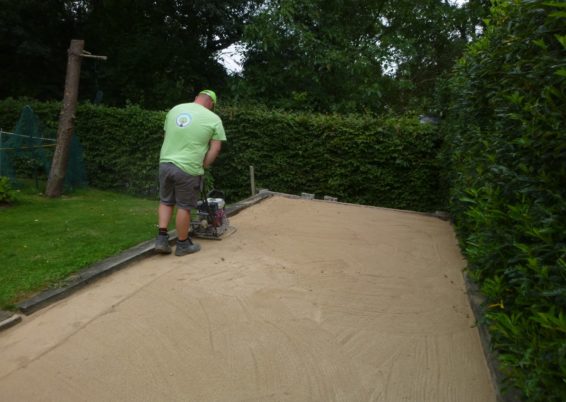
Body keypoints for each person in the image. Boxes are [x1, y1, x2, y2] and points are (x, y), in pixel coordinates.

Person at [155, 89, 226, 256]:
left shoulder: (175, 110)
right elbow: (215, 148)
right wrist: (204, 165)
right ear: (211, 104)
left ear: (197, 98)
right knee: (184, 207)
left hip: (165, 163)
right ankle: (182, 244)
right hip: (188, 168)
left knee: (166, 201)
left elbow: (168, 136)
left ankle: (161, 239)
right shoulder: (213, 118)